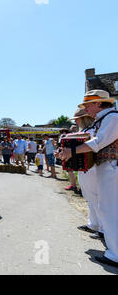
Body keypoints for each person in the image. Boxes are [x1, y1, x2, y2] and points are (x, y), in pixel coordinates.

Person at [57, 90, 117, 268]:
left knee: (110, 209)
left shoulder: (112, 118)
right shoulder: (106, 118)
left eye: (88, 105)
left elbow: (98, 142)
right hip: (108, 166)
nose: (86, 109)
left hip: (112, 167)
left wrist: (71, 151)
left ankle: (115, 254)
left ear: (99, 103)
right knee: (108, 208)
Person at [68, 108, 102, 236]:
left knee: (94, 197)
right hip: (87, 168)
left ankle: (102, 228)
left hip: (92, 168)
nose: (75, 121)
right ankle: (94, 224)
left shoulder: (92, 131)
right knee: (90, 197)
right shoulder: (89, 130)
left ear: (83, 119)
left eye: (76, 119)